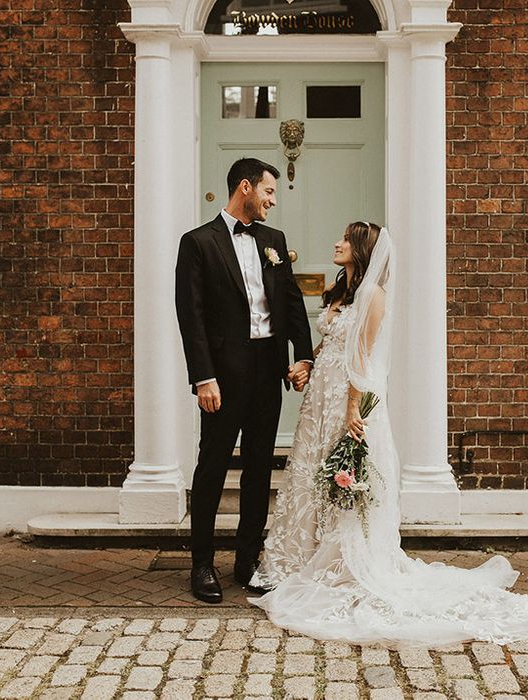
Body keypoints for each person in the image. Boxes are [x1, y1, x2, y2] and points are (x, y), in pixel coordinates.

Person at [249, 221, 528, 647]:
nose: (336, 242)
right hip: (323, 391)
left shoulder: (373, 296)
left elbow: (361, 352)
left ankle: (339, 564)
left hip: (348, 392)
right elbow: (335, 343)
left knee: (342, 475)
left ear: (361, 249)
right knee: (311, 472)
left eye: (345, 239)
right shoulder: (342, 292)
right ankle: (297, 560)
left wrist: (352, 405)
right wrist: (308, 361)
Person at [175, 157, 313, 604]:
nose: (273, 200)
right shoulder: (198, 243)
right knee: (213, 467)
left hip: (266, 372)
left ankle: (247, 561)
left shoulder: (273, 241)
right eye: (269, 192)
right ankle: (201, 565)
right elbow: (190, 316)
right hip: (222, 376)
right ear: (247, 188)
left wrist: (303, 356)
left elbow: (291, 302)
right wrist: (203, 378)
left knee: (258, 469)